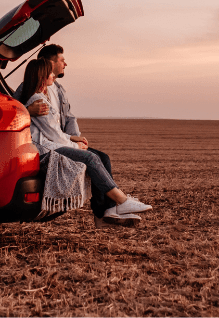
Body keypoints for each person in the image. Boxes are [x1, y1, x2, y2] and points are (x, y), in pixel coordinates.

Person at [18, 57, 152, 228]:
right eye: (50, 72)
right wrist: (76, 146)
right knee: (90, 158)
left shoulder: (43, 96)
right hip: (45, 149)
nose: (53, 75)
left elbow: (58, 130)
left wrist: (74, 139)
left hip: (49, 144)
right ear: (42, 76)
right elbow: (54, 135)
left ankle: (111, 210)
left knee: (97, 158)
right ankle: (121, 201)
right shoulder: (39, 101)